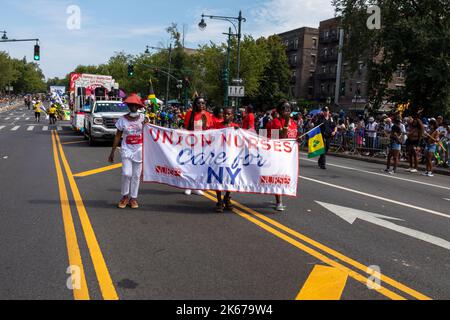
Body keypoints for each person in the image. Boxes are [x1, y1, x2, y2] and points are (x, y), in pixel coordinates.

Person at [108, 94, 148, 209]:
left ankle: (133, 198)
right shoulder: (122, 119)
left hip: (139, 149)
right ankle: (125, 196)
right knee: (126, 173)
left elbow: (150, 131)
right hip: (126, 149)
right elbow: (117, 136)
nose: (133, 107)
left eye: (135, 105)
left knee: (136, 175)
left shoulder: (143, 118)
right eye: (131, 105)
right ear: (128, 106)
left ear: (139, 106)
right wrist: (112, 152)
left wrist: (147, 122)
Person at [266, 100, 298, 211]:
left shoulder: (293, 123)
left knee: (285, 177)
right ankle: (278, 202)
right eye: (284, 108)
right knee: (278, 177)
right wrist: (286, 122)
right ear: (280, 110)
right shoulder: (276, 122)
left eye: (289, 108)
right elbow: (280, 137)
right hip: (277, 154)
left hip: (289, 156)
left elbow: (293, 136)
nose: (287, 110)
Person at [183, 97, 213, 196]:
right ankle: (188, 185)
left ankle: (196, 186)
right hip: (190, 142)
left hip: (202, 144)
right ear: (195, 104)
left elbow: (211, 129)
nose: (201, 105)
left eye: (203, 103)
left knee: (199, 165)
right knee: (189, 164)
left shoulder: (207, 115)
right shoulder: (189, 113)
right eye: (199, 103)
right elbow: (186, 127)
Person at [212, 106, 240, 212]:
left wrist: (238, 131)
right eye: (225, 113)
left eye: (228, 114)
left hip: (231, 157)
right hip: (218, 156)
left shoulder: (236, 127)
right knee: (218, 178)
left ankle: (227, 197)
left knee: (231, 178)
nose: (226, 116)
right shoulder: (216, 126)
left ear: (233, 115)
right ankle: (219, 201)